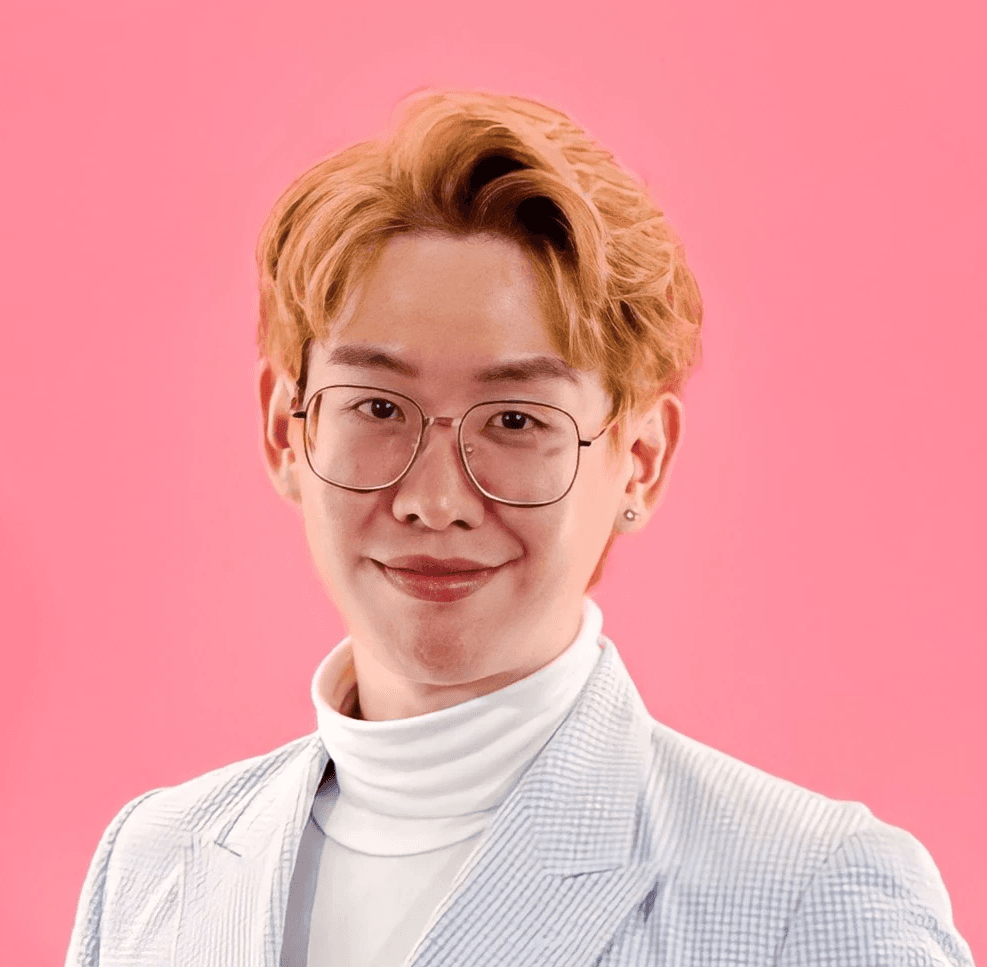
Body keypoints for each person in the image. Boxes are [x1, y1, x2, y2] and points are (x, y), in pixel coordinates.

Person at [65, 90, 974, 967]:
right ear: (285, 430)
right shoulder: (153, 865)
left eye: (514, 420)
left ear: (640, 457)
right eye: (377, 406)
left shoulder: (808, 894)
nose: (434, 500)